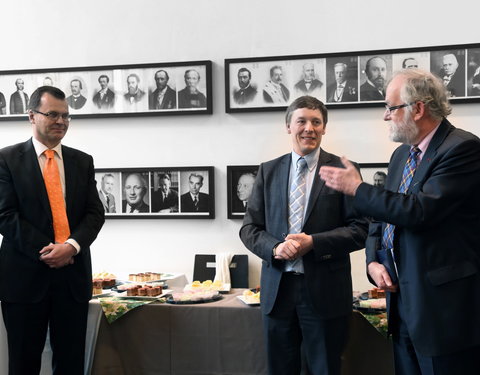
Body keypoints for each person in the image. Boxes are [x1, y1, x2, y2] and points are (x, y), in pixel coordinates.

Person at [319, 69, 480, 375]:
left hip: (443, 313)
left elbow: (418, 211)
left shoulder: (462, 148)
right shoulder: (400, 156)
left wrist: (357, 188)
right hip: (402, 306)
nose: (385, 116)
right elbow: (380, 219)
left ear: (417, 109)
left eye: (390, 108)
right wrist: (372, 261)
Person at [239, 95, 368, 375]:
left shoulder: (344, 170)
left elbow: (361, 229)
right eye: (301, 121)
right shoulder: (268, 171)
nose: (308, 128)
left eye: (316, 122)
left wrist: (315, 243)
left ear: (324, 128)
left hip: (325, 293)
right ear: (288, 126)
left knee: (325, 369)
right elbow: (249, 229)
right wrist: (274, 248)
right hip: (277, 292)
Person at [0, 85, 105, 374]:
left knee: (71, 365)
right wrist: (50, 251)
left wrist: (70, 247)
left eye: (66, 116)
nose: (61, 121)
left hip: (72, 280)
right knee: (23, 365)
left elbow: (95, 213)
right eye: (53, 114)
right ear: (31, 116)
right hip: (23, 281)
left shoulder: (82, 161)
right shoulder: (6, 159)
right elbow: (5, 216)